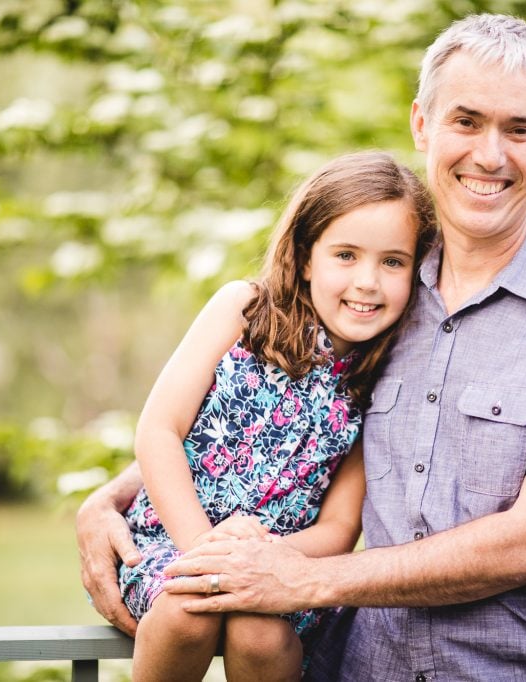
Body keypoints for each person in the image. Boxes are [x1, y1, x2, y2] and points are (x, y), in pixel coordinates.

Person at [78, 14, 526, 679]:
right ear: (421, 125)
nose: (491, 155)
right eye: (466, 122)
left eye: (519, 129)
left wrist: (305, 581)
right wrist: (110, 499)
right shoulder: (378, 293)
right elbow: (255, 420)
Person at [108, 150, 437, 682]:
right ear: (307, 258)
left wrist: (265, 559)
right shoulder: (243, 310)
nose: (368, 281)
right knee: (185, 611)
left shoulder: (378, 378)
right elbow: (158, 432)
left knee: (259, 632)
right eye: (346, 255)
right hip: (178, 542)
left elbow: (339, 526)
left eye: (393, 262)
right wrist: (207, 553)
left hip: (285, 566)